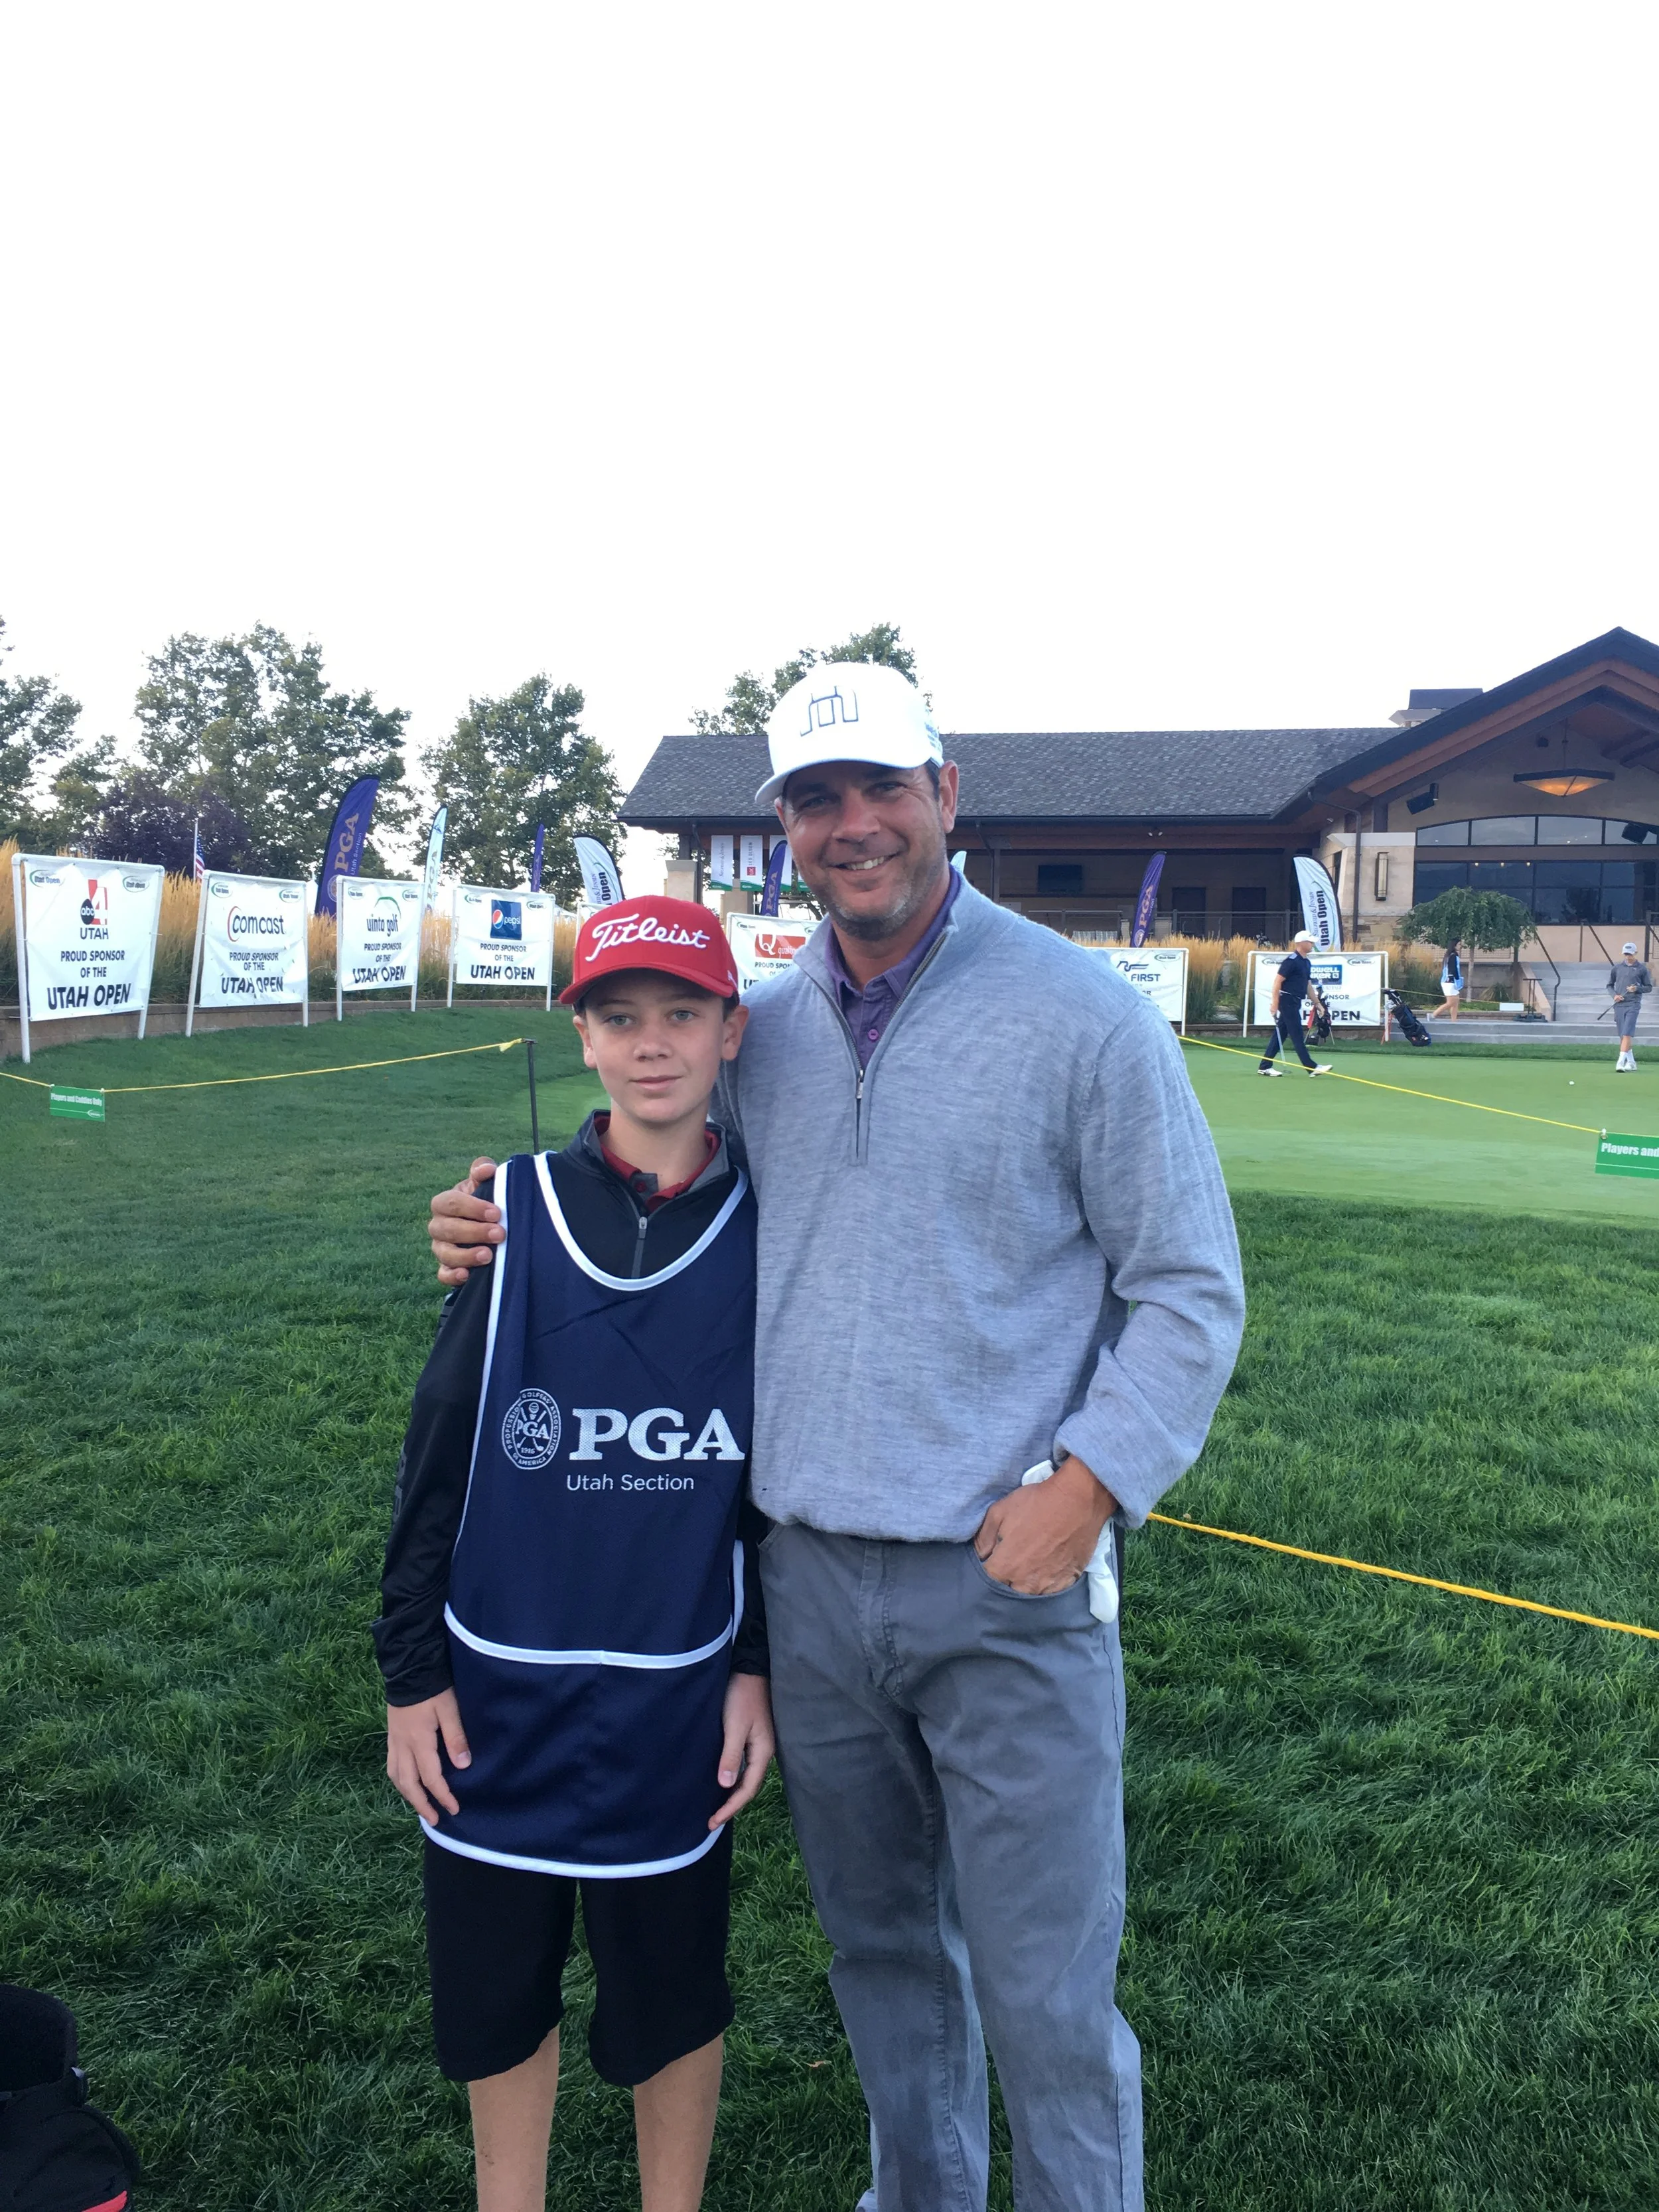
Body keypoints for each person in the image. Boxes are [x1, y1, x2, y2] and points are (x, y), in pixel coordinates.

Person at [429, 661, 1246, 2212]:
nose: (851, 823)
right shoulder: (767, 1031)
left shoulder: (1082, 1017)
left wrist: (1093, 1484)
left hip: (1008, 1583)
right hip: (805, 1583)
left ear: (947, 795)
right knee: (882, 1959)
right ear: (786, 830)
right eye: (815, 799)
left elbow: (1189, 1286)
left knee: (1044, 1994)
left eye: (882, 786)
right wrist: (499, 1218)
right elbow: (653, 1172)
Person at [376, 896, 776, 2212]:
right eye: (620, 1016)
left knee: (671, 1997)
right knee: (498, 1996)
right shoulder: (508, 1210)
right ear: (584, 1039)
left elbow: (771, 1489)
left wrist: (754, 1664)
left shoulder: (771, 1228)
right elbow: (438, 1457)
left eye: (681, 1013)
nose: (651, 1043)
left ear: (730, 1030)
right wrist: (411, 1673)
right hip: (495, 1687)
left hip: (678, 1689)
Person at [1258, 928, 1334, 1075]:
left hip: (1295, 1001)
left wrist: (1317, 1004)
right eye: (1310, 942)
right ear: (1302, 943)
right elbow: (1277, 982)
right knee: (1297, 1034)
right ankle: (1311, 1067)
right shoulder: (1291, 961)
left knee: (1280, 1033)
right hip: (1287, 1000)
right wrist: (1275, 1003)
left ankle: (1265, 1066)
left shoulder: (1306, 962)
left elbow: (1308, 986)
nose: (1312, 944)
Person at [1609, 941, 1654, 1070]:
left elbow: (1649, 987)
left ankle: (1620, 1063)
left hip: (1633, 1004)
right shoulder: (1617, 968)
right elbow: (1609, 985)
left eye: (1630, 954)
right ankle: (1631, 1062)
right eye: (1626, 954)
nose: (1628, 956)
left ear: (1635, 953)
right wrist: (1615, 996)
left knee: (1627, 1033)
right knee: (1623, 1036)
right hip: (1619, 1004)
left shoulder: (1642, 969)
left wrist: (1637, 988)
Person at [1432, 935, 1466, 1020]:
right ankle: (1433, 1015)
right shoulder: (1453, 956)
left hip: (1449, 981)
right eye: (1459, 944)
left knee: (1456, 1003)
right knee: (1451, 1002)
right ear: (1454, 945)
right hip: (1449, 982)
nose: (1460, 946)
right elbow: (1453, 970)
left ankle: (1454, 1021)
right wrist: (1458, 980)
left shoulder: (1449, 955)